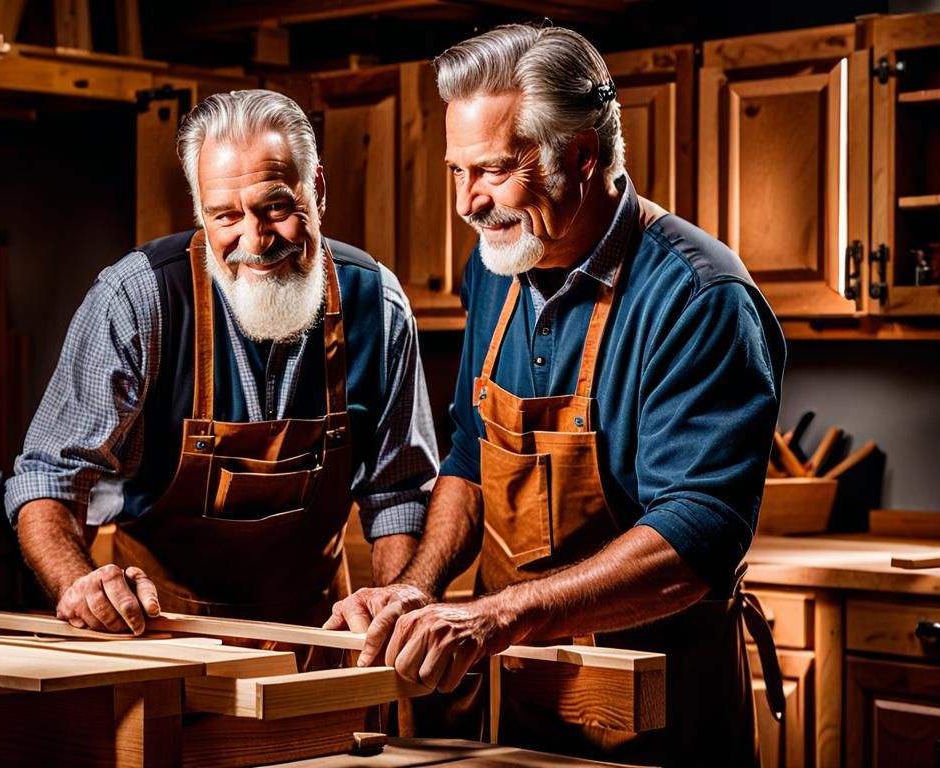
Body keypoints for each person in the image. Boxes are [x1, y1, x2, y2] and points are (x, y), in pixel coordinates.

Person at [324, 25, 787, 765]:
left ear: (581, 154)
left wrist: (497, 615)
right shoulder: (498, 265)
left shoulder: (699, 296)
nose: (468, 202)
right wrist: (418, 587)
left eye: (494, 170)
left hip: (653, 717)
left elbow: (698, 537)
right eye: (456, 170)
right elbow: (473, 458)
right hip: (514, 707)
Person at [5, 90, 438, 642]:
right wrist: (79, 584)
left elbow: (398, 495)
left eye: (276, 208)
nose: (254, 241)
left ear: (318, 191)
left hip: (322, 638)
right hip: (162, 639)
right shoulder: (137, 300)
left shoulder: (377, 305)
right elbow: (50, 475)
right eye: (225, 216)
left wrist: (394, 618)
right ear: (199, 209)